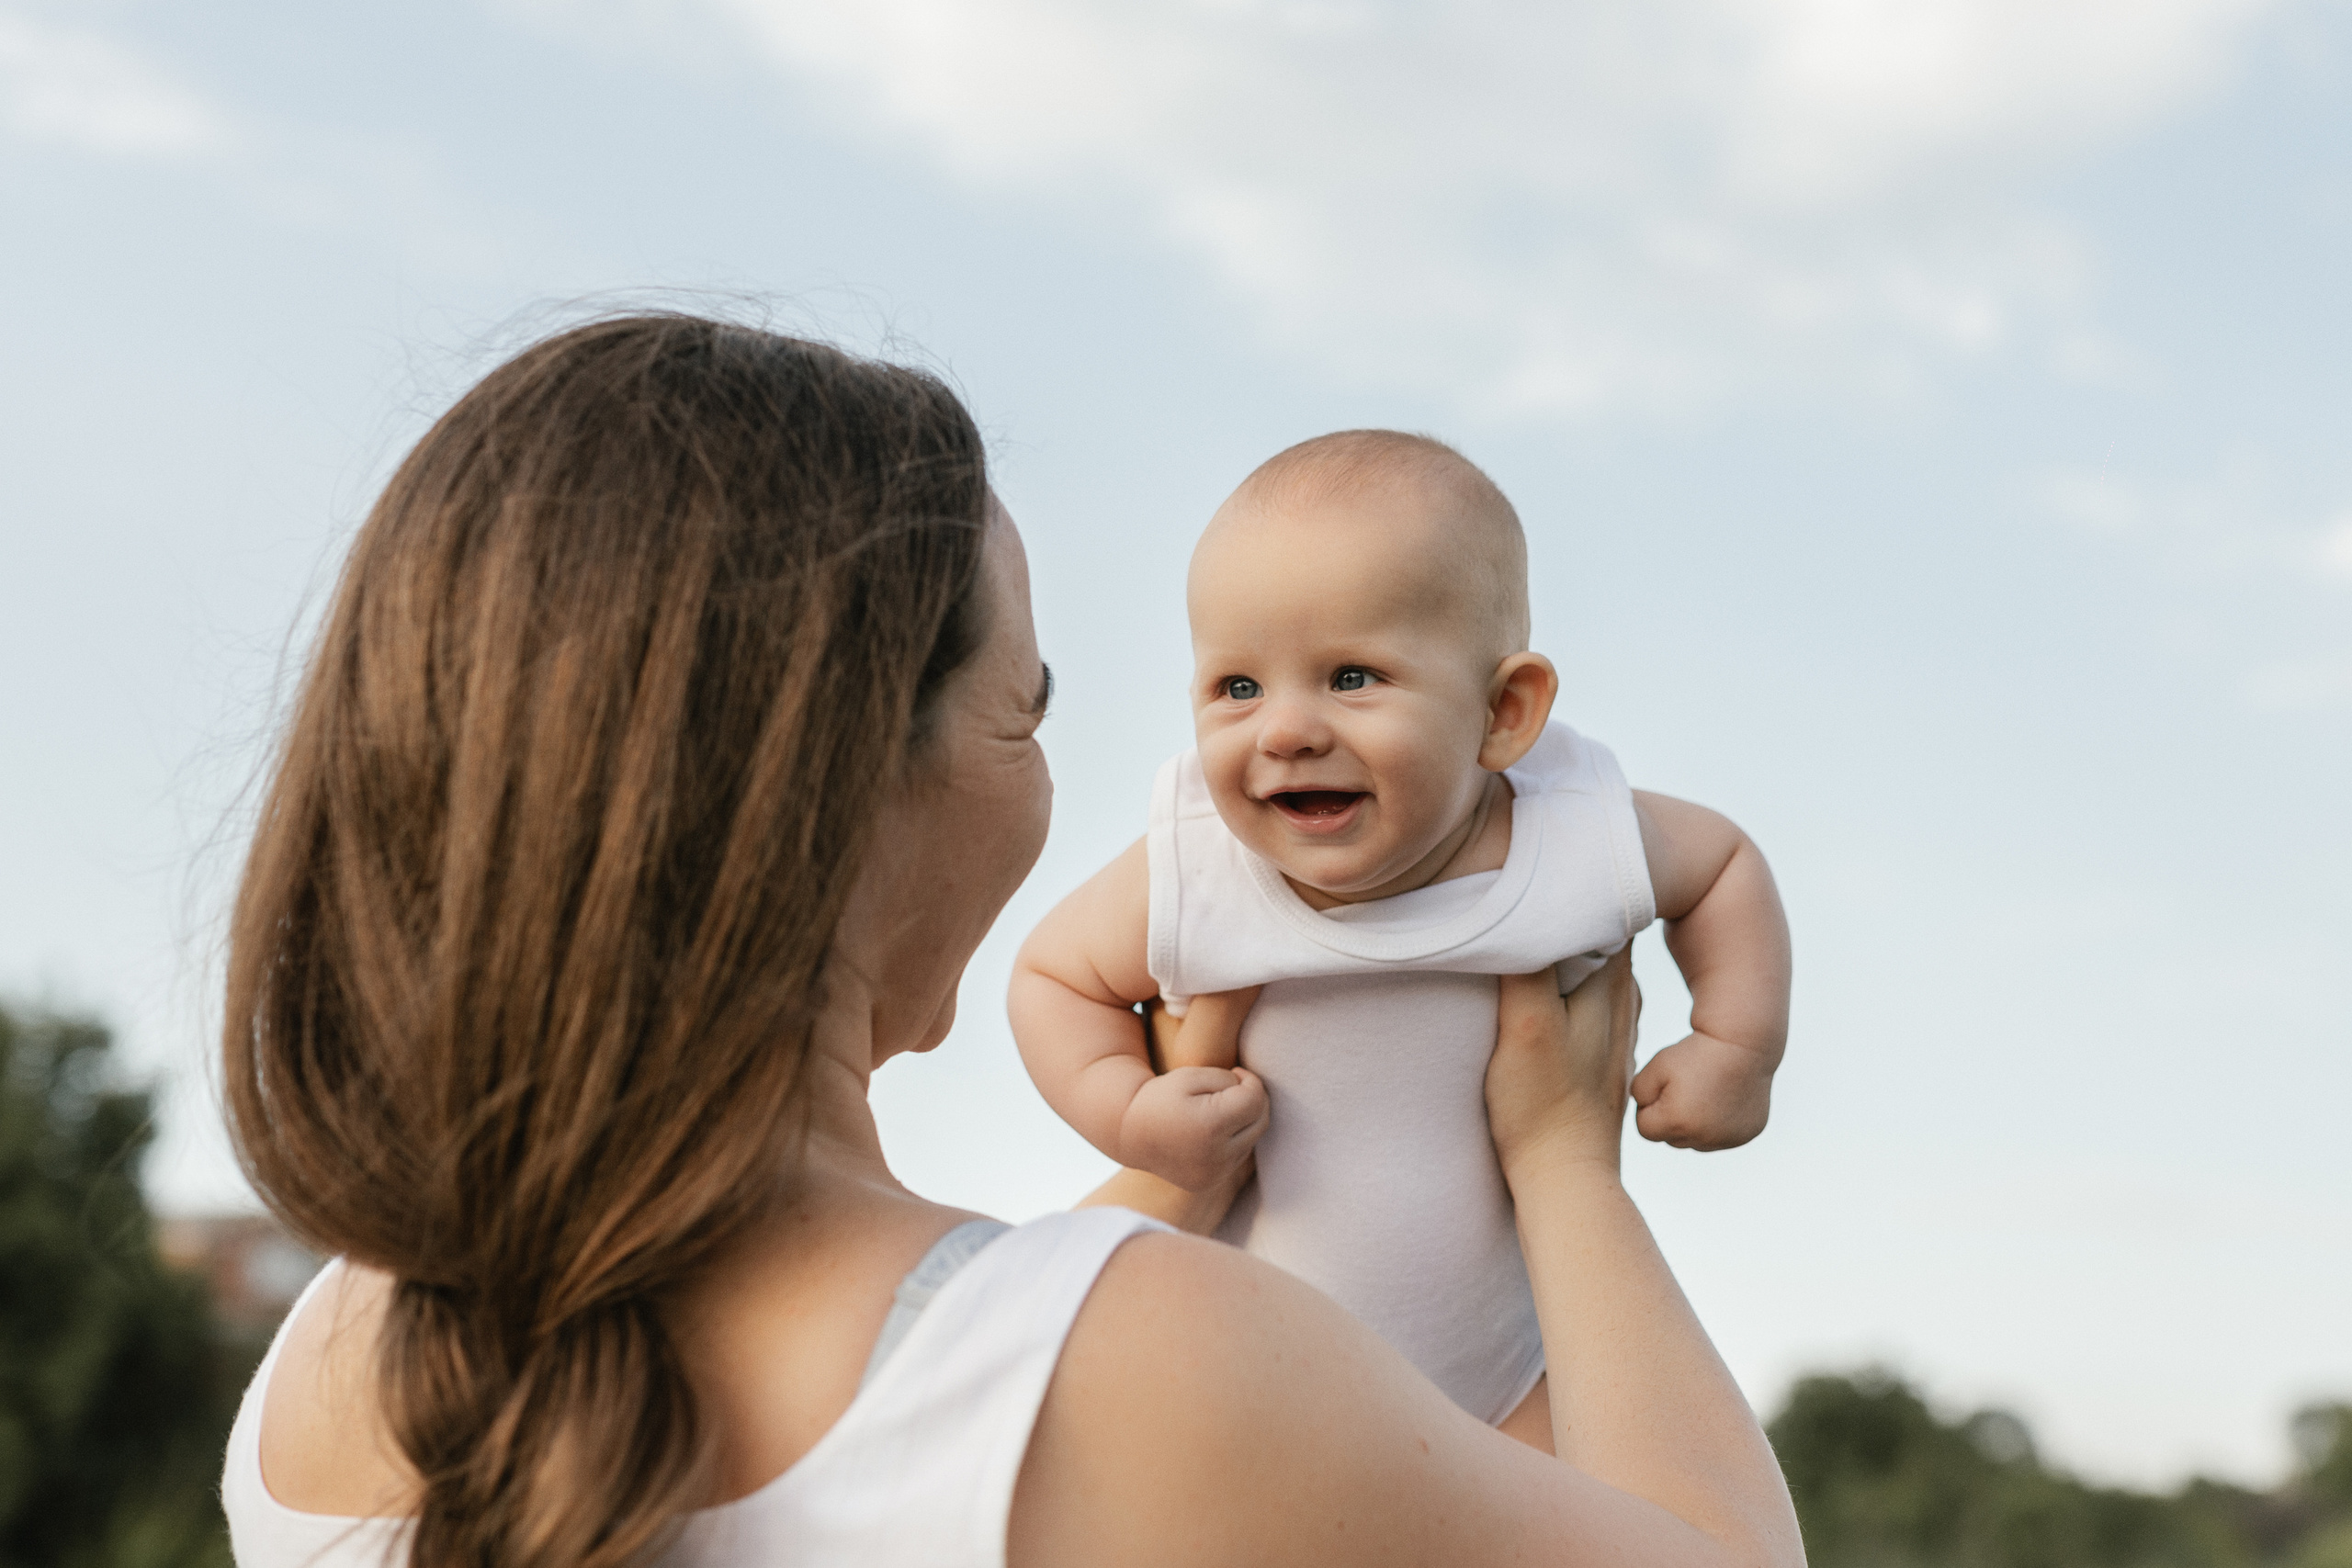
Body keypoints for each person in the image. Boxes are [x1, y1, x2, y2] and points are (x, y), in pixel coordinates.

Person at [217, 315, 1803, 1568]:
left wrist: (1171, 1177)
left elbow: (943, 1355)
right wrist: (1568, 1167)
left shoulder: (333, 1363)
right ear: (853, 776)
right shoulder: (1142, 1372)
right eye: (1026, 711)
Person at [1009, 429, 1793, 1436]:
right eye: (1237, 688)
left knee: (1594, 1496)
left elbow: (1723, 865)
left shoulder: (1564, 835)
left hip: (1512, 1370)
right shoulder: (1202, 867)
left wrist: (1737, 1045)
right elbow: (1050, 980)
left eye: (1350, 678)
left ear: (1503, 713)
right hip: (1250, 1352)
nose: (1284, 729)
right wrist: (1129, 1116)